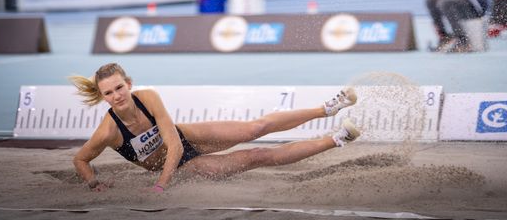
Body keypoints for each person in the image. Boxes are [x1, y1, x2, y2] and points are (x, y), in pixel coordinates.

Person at [70, 63, 360, 192]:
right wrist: (93, 183)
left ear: (128, 84)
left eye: (119, 88)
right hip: (182, 166)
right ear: (103, 97)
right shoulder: (108, 131)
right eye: (108, 93)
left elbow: (175, 143)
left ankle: (328, 108)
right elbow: (80, 159)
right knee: (257, 157)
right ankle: (337, 139)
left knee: (253, 129)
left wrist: (160, 186)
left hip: (184, 140)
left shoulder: (148, 97)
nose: (117, 96)